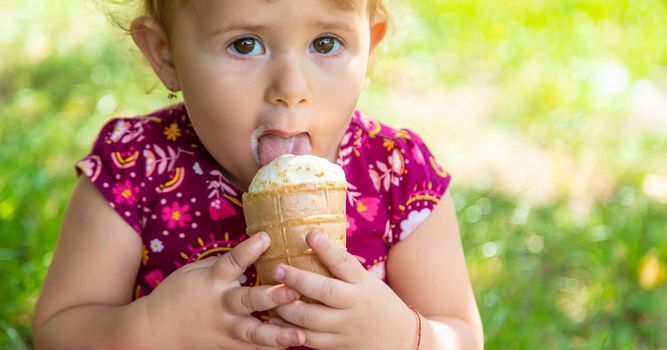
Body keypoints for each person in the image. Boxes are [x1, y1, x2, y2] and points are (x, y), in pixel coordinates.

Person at [31, 0, 484, 349]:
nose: (291, 88)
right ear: (165, 53)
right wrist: (152, 329)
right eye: (245, 44)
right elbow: (59, 329)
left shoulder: (398, 172)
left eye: (326, 43)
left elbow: (461, 334)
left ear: (370, 46)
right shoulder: (136, 166)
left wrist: (402, 337)